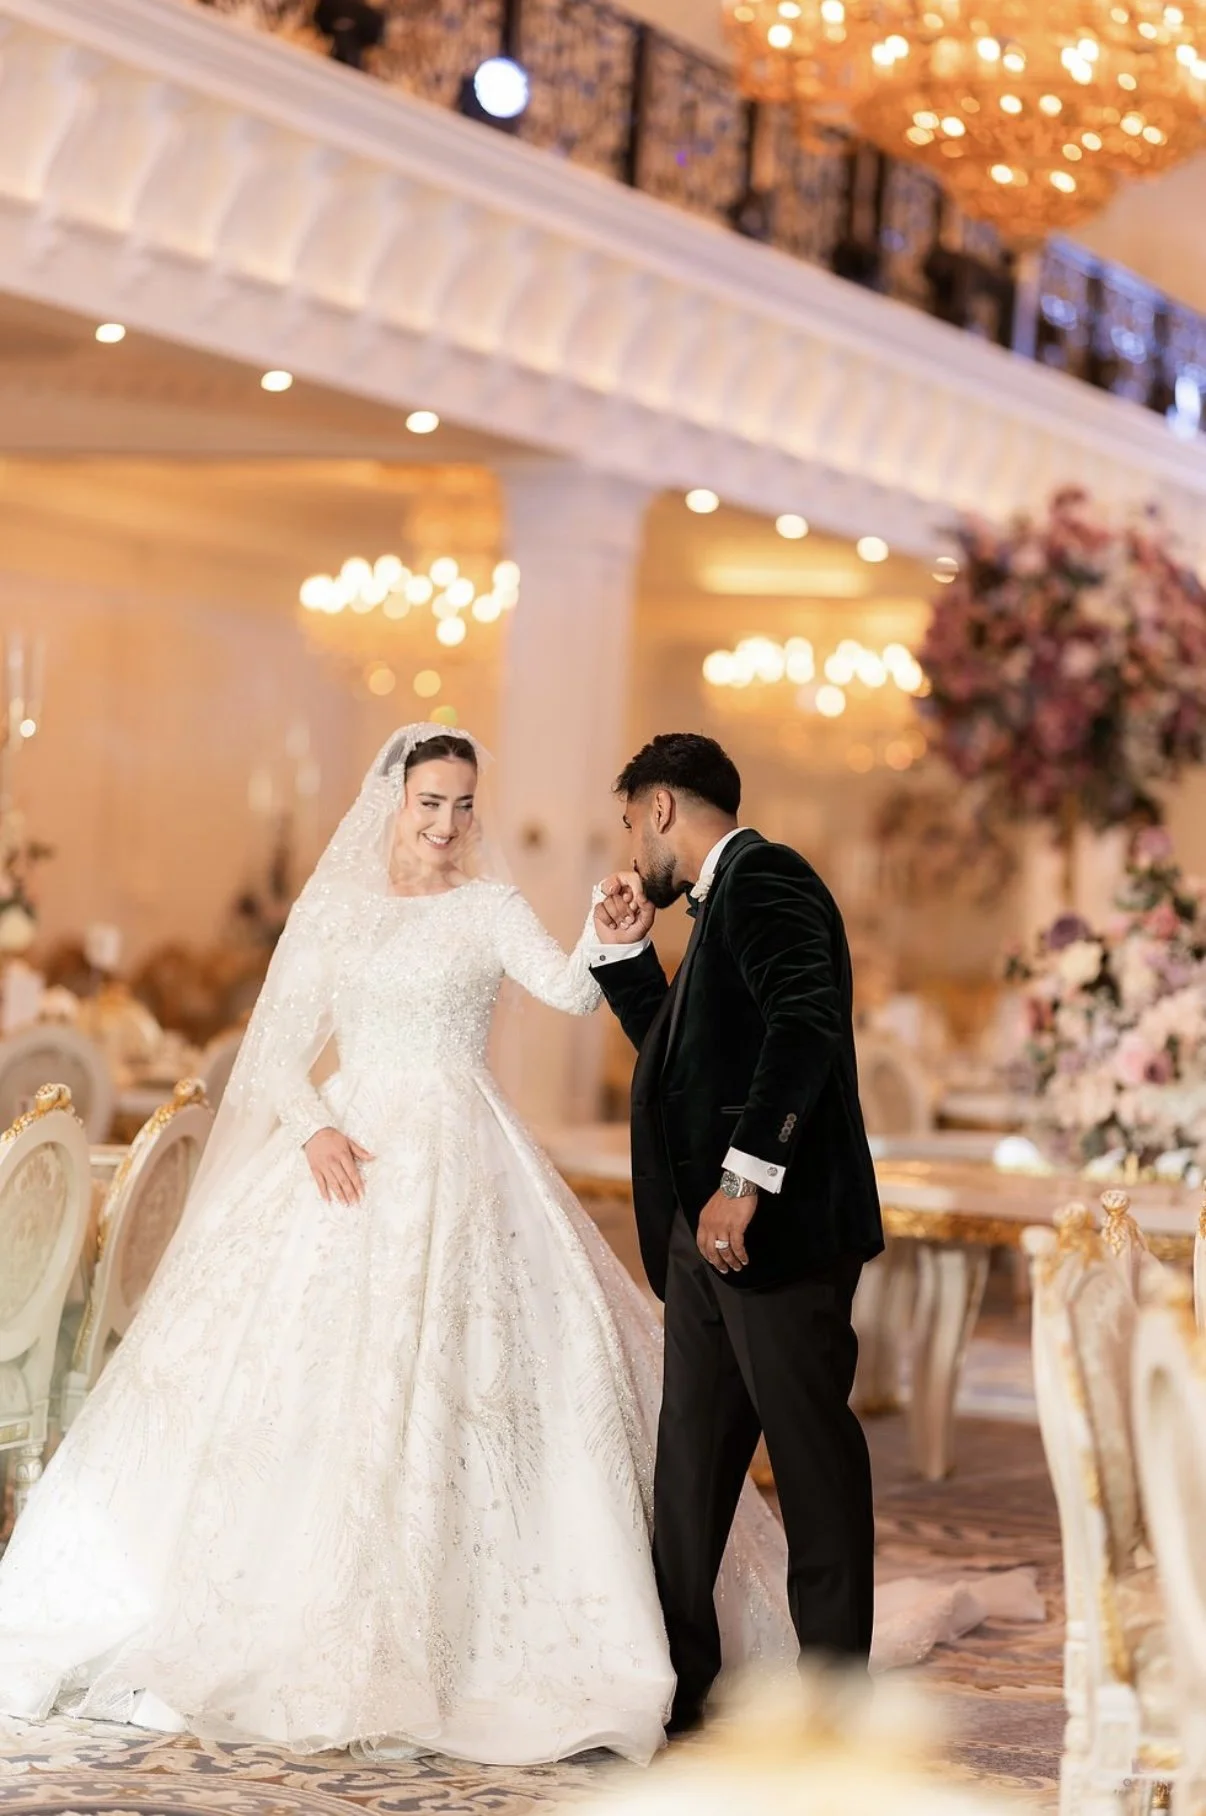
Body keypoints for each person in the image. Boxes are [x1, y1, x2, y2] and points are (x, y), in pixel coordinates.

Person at [0, 725, 794, 1766]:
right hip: (353, 1148)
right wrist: (315, 1125)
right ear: (395, 801)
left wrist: (609, 933)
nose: (448, 823)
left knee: (489, 1385)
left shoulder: (489, 905)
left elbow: (560, 990)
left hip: (468, 1152)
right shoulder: (337, 910)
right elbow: (278, 1053)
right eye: (431, 802)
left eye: (464, 804)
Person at [590, 732, 883, 1736]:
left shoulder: (769, 878)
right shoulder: (716, 905)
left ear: (663, 806)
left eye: (633, 823)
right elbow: (693, 1065)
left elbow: (808, 1021)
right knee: (690, 1469)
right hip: (707, 1247)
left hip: (776, 1236)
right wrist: (629, 959)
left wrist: (745, 1180)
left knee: (811, 1460)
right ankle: (678, 1684)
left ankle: (837, 1701)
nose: (633, 850)